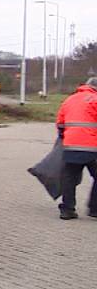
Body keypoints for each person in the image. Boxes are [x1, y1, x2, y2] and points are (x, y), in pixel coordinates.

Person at [56, 76, 97, 220]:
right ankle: (94, 209)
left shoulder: (70, 99)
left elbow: (60, 122)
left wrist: (63, 136)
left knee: (69, 178)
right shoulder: (95, 99)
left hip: (71, 145)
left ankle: (67, 210)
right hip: (93, 147)